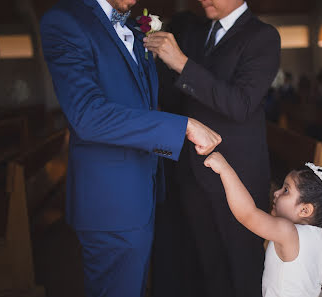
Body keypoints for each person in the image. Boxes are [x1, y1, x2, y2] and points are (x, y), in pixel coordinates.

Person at [39, 0, 222, 296]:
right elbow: (87, 115)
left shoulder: (132, 28)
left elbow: (140, 101)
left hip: (141, 192)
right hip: (110, 200)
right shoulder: (65, 21)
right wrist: (182, 126)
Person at [144, 1, 281, 296]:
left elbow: (241, 104)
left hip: (238, 175)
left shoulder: (262, 36)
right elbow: (178, 97)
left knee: (243, 267)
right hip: (193, 171)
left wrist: (181, 63)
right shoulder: (198, 33)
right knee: (208, 267)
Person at [204, 152, 322, 297]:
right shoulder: (320, 235)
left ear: (305, 210)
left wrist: (225, 170)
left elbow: (248, 214)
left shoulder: (288, 232)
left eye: (286, 190)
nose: (276, 193)